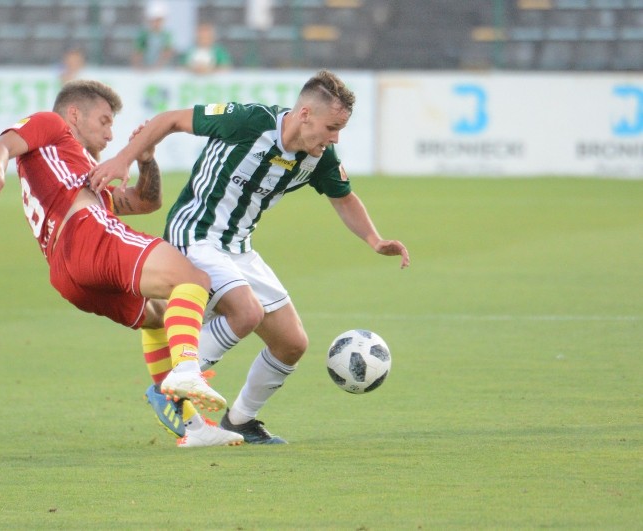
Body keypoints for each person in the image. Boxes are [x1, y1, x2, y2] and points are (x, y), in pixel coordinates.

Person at [90, 70, 410, 444]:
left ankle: (240, 420)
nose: (335, 138)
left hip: (237, 247)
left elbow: (344, 198)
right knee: (246, 312)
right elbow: (170, 119)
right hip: (195, 232)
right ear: (305, 114)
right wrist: (124, 159)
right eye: (332, 127)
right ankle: (169, 387)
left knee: (292, 343)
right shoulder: (249, 120)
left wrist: (374, 240)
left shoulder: (318, 156)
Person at [0, 79, 243, 448]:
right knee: (191, 278)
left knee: (159, 315)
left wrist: (146, 160)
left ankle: (190, 426)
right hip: (84, 232)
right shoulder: (52, 124)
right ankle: (187, 370)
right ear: (75, 114)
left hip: (67, 271)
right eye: (105, 120)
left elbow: (146, 203)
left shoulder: (80, 168)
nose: (111, 133)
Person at [130, 1, 175, 70]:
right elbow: (137, 53)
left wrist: (157, 68)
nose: (156, 23)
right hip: (145, 70)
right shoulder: (143, 35)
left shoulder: (167, 35)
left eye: (158, 20)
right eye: (154, 20)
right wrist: (140, 68)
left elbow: (167, 53)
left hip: (162, 71)